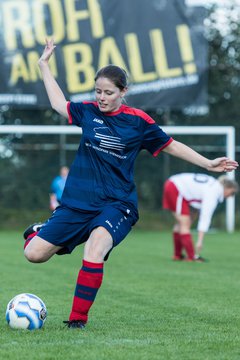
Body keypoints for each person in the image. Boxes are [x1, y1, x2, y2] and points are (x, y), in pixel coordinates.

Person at [23, 39, 238, 329]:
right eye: (98, 91)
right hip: (77, 203)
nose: (102, 97)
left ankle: (77, 321)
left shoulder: (138, 122)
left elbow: (172, 145)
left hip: (117, 203)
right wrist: (43, 65)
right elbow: (58, 104)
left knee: (95, 248)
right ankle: (41, 231)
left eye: (109, 92)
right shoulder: (88, 112)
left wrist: (208, 163)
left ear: (123, 92)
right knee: (33, 255)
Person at [163, 173, 239, 262]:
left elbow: (196, 205)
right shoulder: (214, 192)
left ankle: (177, 255)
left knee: (182, 223)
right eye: (232, 193)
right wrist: (200, 240)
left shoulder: (213, 184)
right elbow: (205, 217)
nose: (231, 196)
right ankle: (191, 257)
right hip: (175, 187)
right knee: (185, 223)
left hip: (173, 184)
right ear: (227, 188)